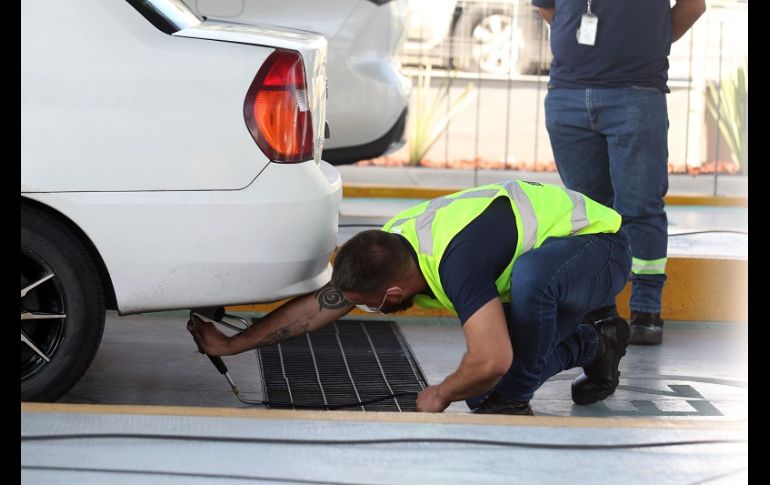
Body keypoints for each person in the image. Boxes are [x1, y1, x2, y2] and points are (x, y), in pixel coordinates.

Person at [188, 180, 632, 415]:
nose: (365, 308)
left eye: (371, 304)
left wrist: (441, 393)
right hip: (549, 264)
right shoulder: (391, 247)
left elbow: (491, 359)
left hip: (599, 248)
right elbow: (317, 307)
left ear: (394, 293)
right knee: (481, 395)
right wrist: (232, 344)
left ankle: (521, 394)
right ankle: (597, 342)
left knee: (501, 374)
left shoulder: (456, 263)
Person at [533, 0, 707, 345]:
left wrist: (651, 42)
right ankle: (600, 310)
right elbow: (547, 8)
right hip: (567, 96)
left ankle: (646, 312)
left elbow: (694, 5)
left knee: (640, 207)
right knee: (589, 214)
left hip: (636, 93)